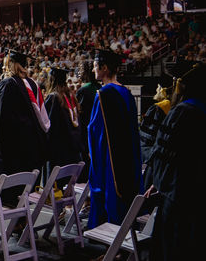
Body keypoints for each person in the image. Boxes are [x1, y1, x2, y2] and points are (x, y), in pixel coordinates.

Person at [146, 63, 206, 260]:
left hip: (178, 195)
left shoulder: (182, 112)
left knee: (174, 248)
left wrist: (158, 181)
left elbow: (163, 155)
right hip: (198, 195)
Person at [87, 49, 143, 229]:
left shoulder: (103, 94)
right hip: (128, 155)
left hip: (109, 158)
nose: (94, 69)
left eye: (96, 66)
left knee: (110, 193)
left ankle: (111, 245)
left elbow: (95, 130)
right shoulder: (125, 92)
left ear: (104, 68)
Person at [0, 49, 49, 205]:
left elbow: (0, 118)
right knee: (25, 191)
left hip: (14, 152)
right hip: (32, 150)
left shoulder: (7, 85)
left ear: (11, 64)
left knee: (13, 194)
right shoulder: (33, 85)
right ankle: (24, 221)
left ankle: (16, 223)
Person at [43, 67, 83, 180]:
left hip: (58, 152)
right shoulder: (71, 97)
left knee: (55, 189)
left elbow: (47, 126)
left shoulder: (54, 98)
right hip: (72, 150)